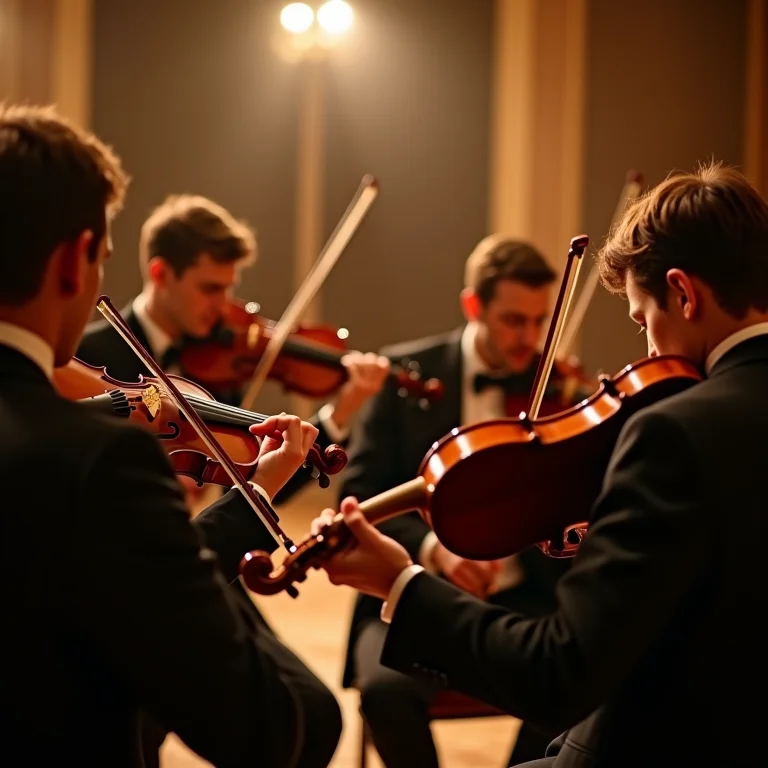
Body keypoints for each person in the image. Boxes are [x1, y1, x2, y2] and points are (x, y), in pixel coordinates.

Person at [311, 160, 768, 767]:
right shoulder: (409, 376)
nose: (649, 350)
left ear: (683, 293)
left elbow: (562, 673)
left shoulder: (673, 432)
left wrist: (399, 580)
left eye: (642, 320)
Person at [0, 103, 342, 767]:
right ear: (75, 263)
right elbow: (259, 727)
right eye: (101, 257)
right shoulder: (100, 460)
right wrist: (257, 496)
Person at [336, 237, 592, 767]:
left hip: (525, 599)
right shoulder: (405, 377)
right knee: (385, 692)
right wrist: (434, 549)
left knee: (576, 685)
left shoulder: (559, 390)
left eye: (540, 320)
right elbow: (360, 497)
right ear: (473, 305)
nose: (529, 339)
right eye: (512, 320)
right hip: (410, 590)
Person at [75, 192, 390, 505]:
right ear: (161, 274)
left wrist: (340, 412)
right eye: (211, 288)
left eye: (229, 288)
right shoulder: (87, 357)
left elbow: (257, 487)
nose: (224, 304)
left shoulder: (219, 367)